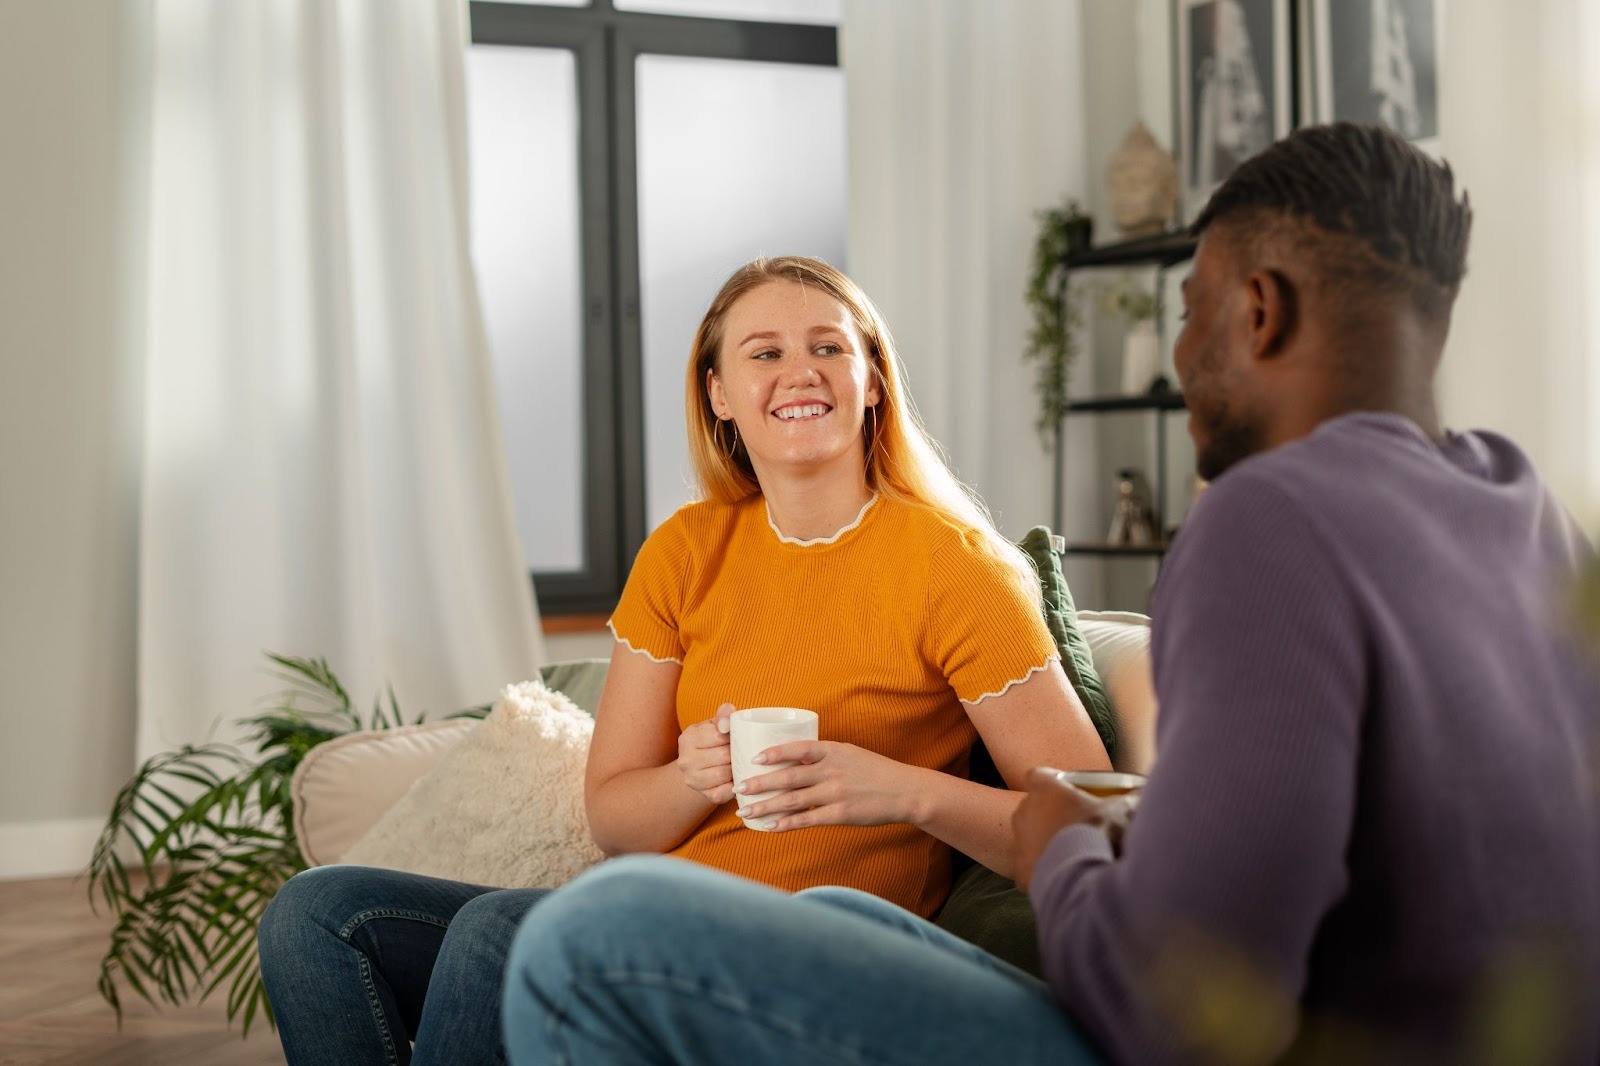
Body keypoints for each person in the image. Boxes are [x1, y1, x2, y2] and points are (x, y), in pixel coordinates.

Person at [498, 123, 1600, 1066]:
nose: (1178, 352)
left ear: (1256, 311)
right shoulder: (1532, 514)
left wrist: (1063, 834)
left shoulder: (1261, 521)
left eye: (1191, 307)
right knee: (812, 914)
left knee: (594, 932)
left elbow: (1175, 1000)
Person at [257, 256, 1111, 1065]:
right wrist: (692, 778)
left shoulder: (954, 568)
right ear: (720, 395)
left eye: (829, 347)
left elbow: (1089, 825)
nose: (801, 371)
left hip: (803, 949)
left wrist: (900, 789)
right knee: (315, 914)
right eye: (764, 352)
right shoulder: (685, 551)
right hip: (638, 923)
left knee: (495, 936)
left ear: (873, 380)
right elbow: (615, 819)